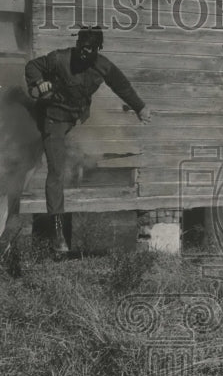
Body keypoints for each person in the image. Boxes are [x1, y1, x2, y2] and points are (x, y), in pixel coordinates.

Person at [25, 26, 151, 253]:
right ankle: (57, 234)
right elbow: (33, 66)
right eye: (81, 48)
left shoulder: (103, 66)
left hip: (76, 117)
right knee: (57, 171)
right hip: (54, 117)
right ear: (76, 45)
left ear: (97, 49)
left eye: (90, 49)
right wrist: (38, 82)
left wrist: (140, 108)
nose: (84, 54)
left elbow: (122, 86)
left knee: (82, 158)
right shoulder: (59, 58)